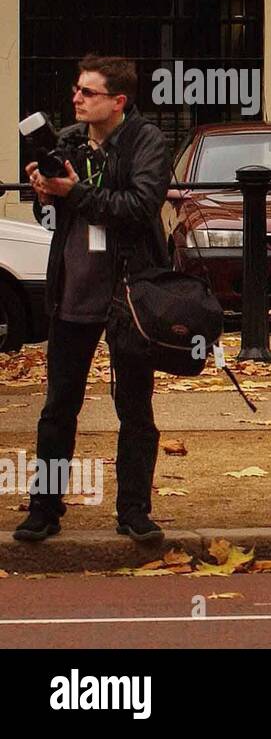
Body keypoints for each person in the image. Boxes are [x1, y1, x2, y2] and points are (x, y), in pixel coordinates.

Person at [15, 55, 170, 543]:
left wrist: (74, 192)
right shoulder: (67, 141)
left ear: (118, 101)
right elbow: (59, 205)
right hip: (74, 287)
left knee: (134, 406)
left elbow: (140, 206)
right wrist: (43, 189)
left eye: (89, 92)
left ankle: (134, 511)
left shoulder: (148, 141)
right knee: (59, 404)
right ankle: (44, 508)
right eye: (77, 90)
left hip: (130, 293)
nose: (77, 99)